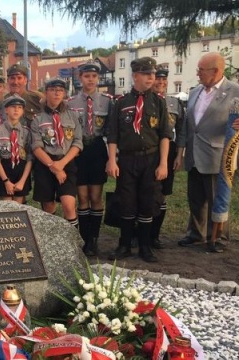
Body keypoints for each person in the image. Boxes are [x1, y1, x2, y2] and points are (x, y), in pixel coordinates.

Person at [176, 52, 239, 252]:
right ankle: (196, 234)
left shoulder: (236, 91)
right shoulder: (195, 92)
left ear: (216, 71)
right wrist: (181, 153)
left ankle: (218, 237)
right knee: (195, 199)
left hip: (217, 156)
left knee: (217, 199)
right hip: (194, 155)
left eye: (201, 70)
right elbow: (188, 124)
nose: (198, 74)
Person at [106, 57, 171, 263]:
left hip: (150, 159)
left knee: (147, 202)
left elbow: (165, 135)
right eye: (146, 74)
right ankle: (124, 245)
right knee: (126, 202)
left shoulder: (158, 102)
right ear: (135, 76)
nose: (152, 78)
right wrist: (112, 161)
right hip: (126, 159)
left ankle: (145, 246)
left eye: (153, 74)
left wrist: (163, 163)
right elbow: (113, 135)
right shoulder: (121, 103)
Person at [67, 60, 114, 257]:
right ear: (80, 78)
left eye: (94, 76)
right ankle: (84, 239)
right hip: (78, 150)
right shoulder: (70, 103)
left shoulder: (107, 101)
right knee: (82, 197)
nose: (91, 80)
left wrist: (111, 158)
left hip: (96, 149)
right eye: (87, 76)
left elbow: (111, 131)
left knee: (95, 196)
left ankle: (94, 240)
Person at [30, 78, 82, 232]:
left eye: (60, 90)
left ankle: (73, 243)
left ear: (64, 93)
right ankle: (53, 243)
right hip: (45, 164)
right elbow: (37, 146)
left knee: (68, 204)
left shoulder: (73, 116)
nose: (56, 93)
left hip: (66, 162)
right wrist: (53, 166)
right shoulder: (37, 119)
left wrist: (61, 164)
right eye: (52, 90)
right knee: (48, 205)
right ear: (46, 93)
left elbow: (78, 143)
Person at [150, 67, 185, 249]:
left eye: (164, 80)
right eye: (157, 79)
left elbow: (181, 130)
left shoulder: (175, 102)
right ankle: (139, 233)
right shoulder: (145, 101)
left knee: (162, 194)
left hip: (169, 150)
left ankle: (155, 235)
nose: (161, 83)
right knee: (145, 191)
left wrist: (179, 155)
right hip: (149, 149)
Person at [0, 95, 33, 204]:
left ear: (23, 111)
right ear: (6, 110)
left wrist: (22, 181)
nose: (16, 110)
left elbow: (29, 158)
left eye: (19, 107)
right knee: (7, 207)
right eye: (13, 107)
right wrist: (5, 181)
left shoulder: (26, 132)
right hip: (4, 171)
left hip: (21, 172)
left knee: (19, 208)